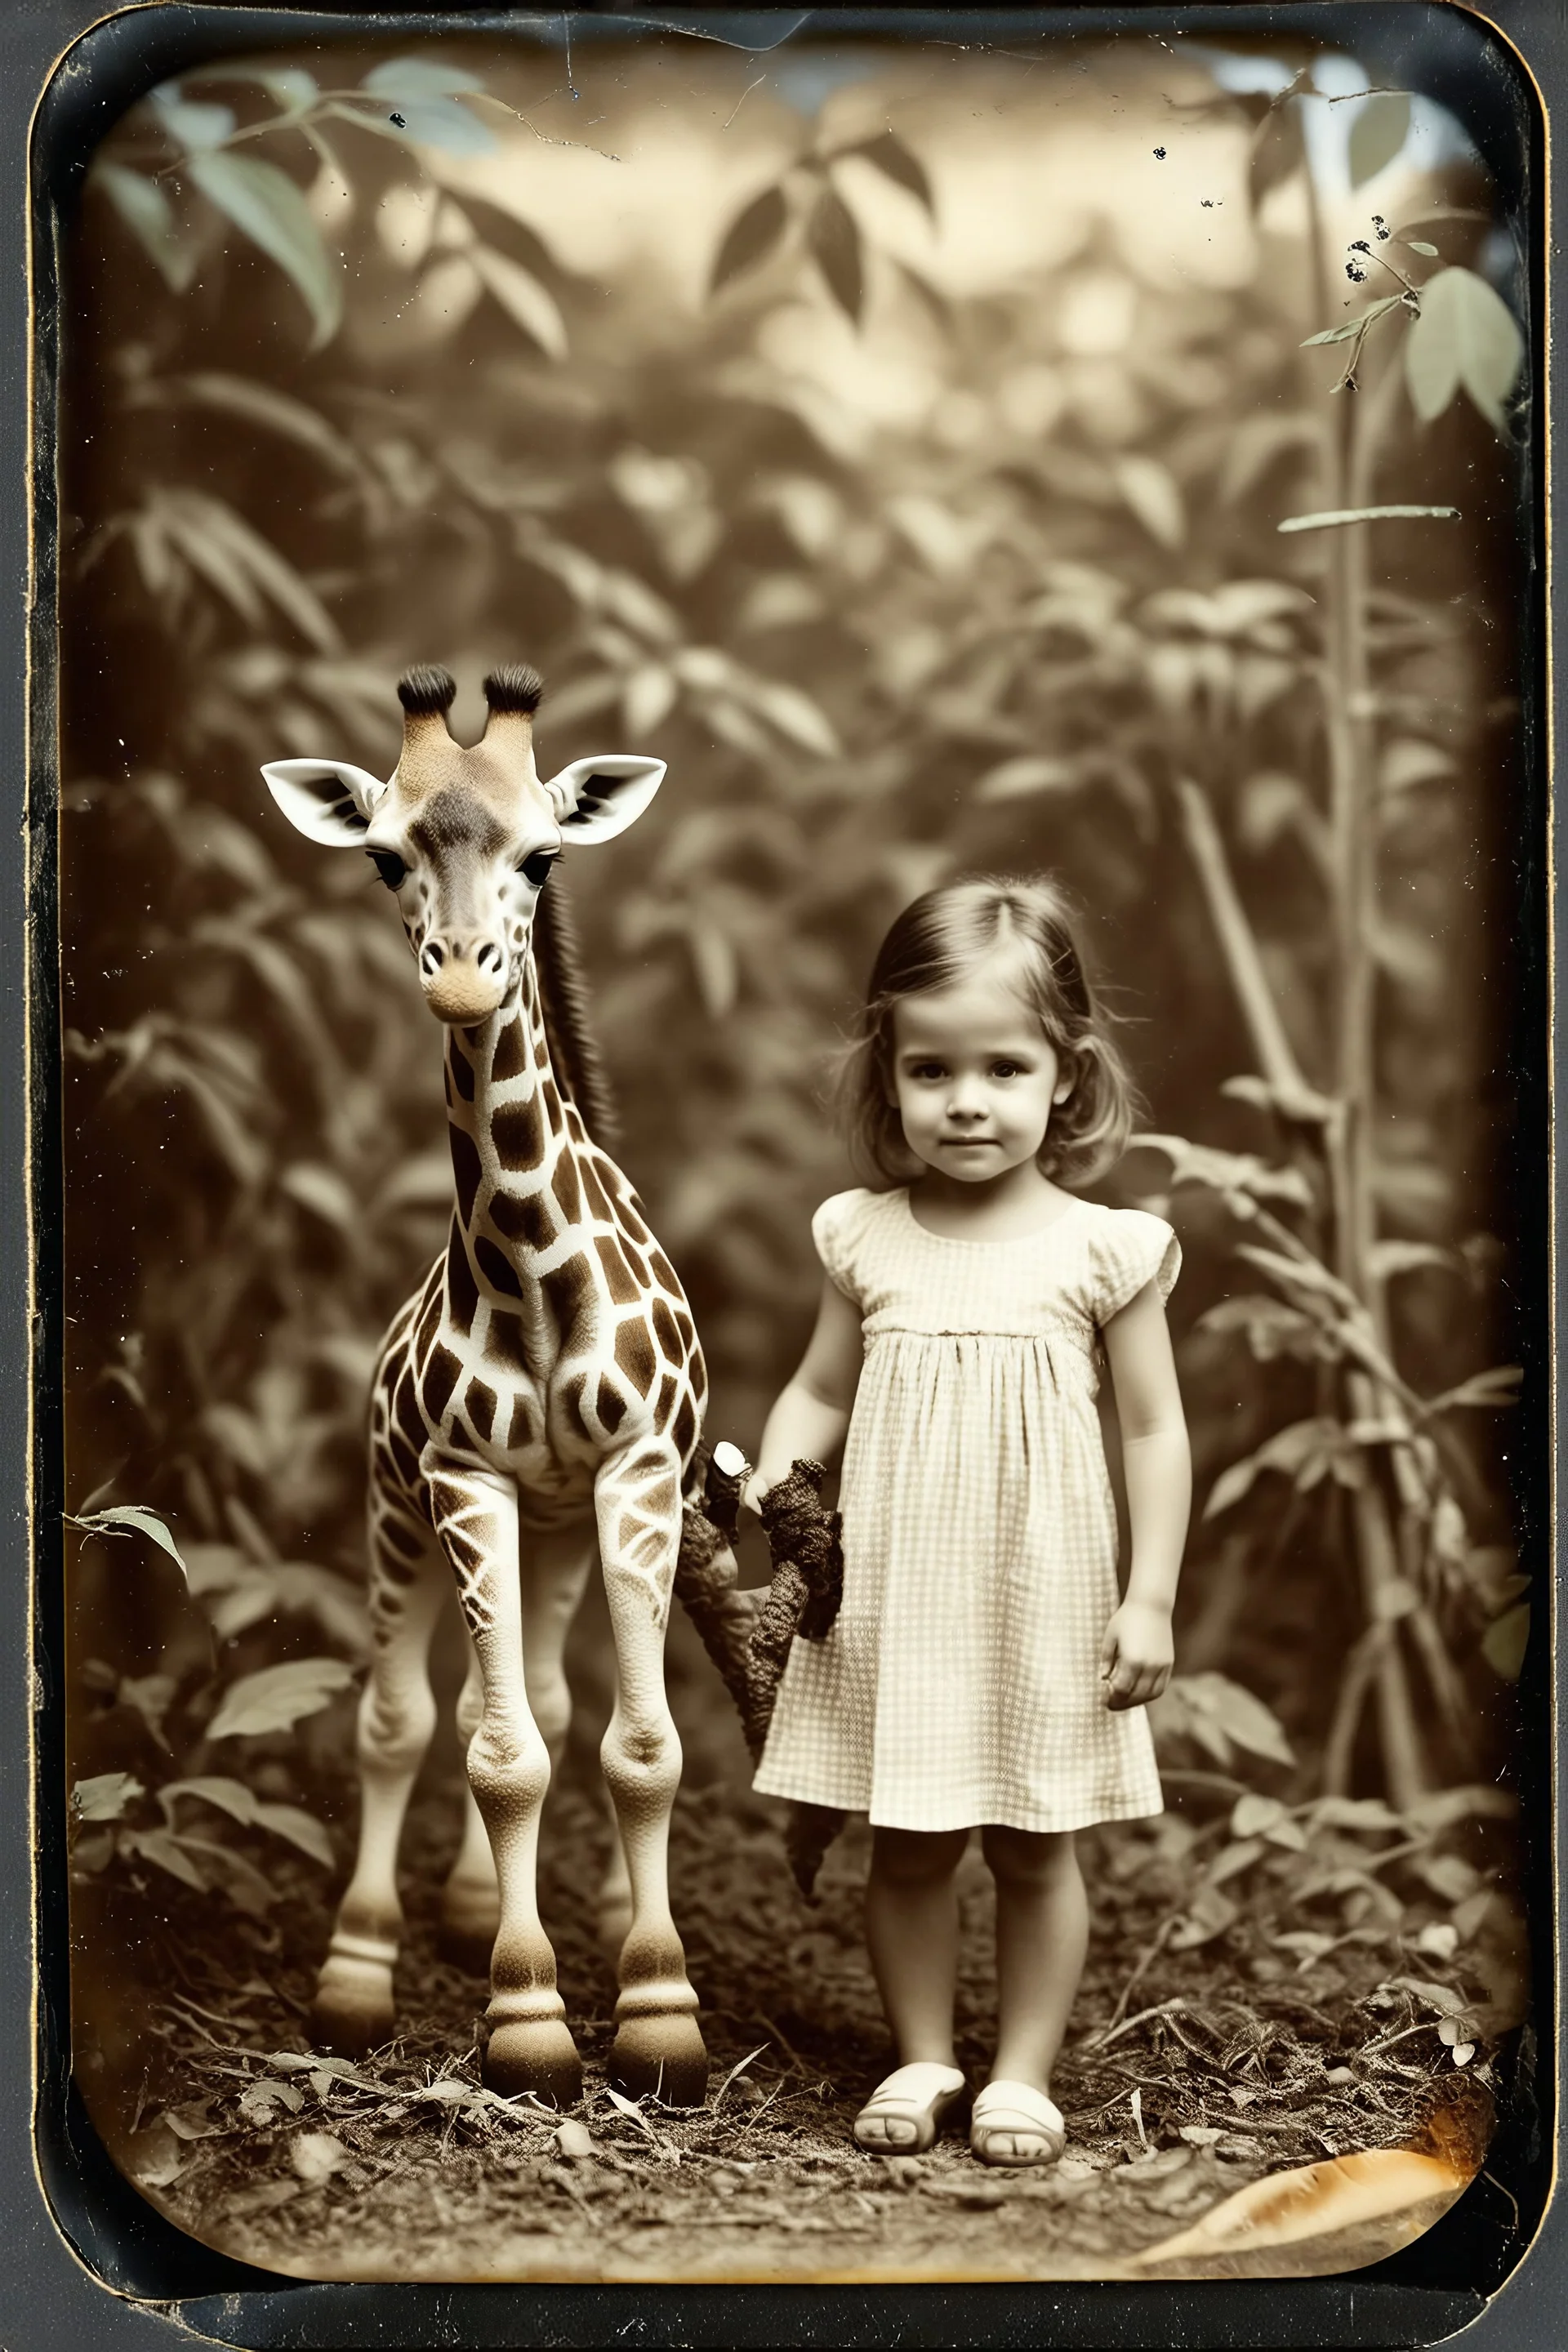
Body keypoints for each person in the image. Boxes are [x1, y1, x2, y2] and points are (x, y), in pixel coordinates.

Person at [749, 875, 1191, 2168]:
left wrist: (1150, 1592)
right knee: (910, 1842)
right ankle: (924, 2052)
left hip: (1039, 1586)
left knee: (1038, 1844)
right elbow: (820, 1388)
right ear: (886, 1073)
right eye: (931, 1068)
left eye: (1005, 1066)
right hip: (895, 1589)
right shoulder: (866, 1236)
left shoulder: (1105, 1250)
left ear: (1068, 1074)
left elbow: (1156, 1429)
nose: (968, 1100)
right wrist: (778, 1485)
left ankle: (1023, 2075)